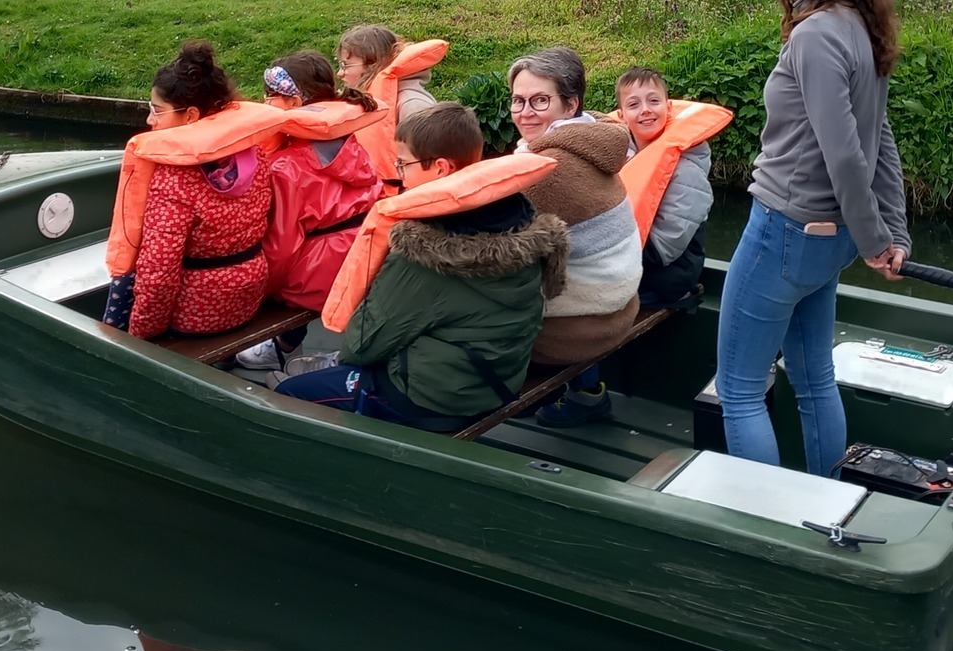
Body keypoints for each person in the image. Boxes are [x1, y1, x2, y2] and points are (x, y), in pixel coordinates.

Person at [718, 0, 910, 476]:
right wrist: (886, 229)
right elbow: (883, 140)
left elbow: (848, 152)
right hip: (828, 242)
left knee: (740, 391)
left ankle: (768, 526)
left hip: (785, 230)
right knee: (813, 378)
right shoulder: (858, 27)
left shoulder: (816, 36)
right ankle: (827, 499)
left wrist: (879, 237)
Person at [277, 103, 567, 430]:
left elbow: (362, 345)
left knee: (288, 394)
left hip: (432, 398)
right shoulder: (518, 216)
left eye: (403, 164)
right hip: (498, 381)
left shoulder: (425, 249)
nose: (398, 173)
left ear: (441, 168)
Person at [101, 42, 277, 340]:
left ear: (192, 116)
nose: (149, 121)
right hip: (248, 296)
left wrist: (142, 336)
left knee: (125, 292)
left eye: (157, 111)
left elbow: (158, 275)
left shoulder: (174, 177)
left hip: (197, 312)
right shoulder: (253, 151)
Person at [508, 47, 643, 427]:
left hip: (581, 328)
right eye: (518, 101)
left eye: (539, 100)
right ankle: (587, 393)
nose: (525, 112)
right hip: (620, 305)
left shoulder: (548, 168)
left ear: (570, 105)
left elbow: (490, 246)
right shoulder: (593, 138)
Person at [236, 49, 385, 373]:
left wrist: (257, 289)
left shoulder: (286, 167)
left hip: (322, 278)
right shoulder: (347, 140)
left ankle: (281, 346)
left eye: (271, 95)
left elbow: (280, 248)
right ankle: (287, 344)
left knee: (258, 275)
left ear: (295, 102)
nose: (264, 102)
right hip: (367, 258)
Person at [614, 66, 719, 311]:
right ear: (621, 116)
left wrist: (607, 255)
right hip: (631, 262)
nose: (646, 110)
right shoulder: (621, 155)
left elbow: (665, 248)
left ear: (668, 107)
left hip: (665, 277)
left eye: (653, 101)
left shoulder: (686, 169)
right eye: (634, 105)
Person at [336, 24, 446, 190]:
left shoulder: (412, 103)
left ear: (372, 64)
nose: (340, 73)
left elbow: (433, 168)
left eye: (346, 65)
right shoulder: (368, 101)